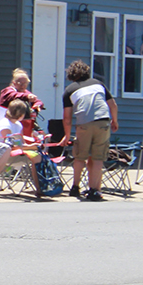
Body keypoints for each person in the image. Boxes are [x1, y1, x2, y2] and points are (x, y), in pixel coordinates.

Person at [59, 59, 115, 201]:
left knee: (80, 156)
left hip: (84, 124)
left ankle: (75, 187)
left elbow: (67, 117)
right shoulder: (98, 84)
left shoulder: (70, 90)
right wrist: (115, 120)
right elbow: (112, 105)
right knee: (97, 158)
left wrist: (66, 135)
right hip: (103, 121)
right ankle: (94, 190)